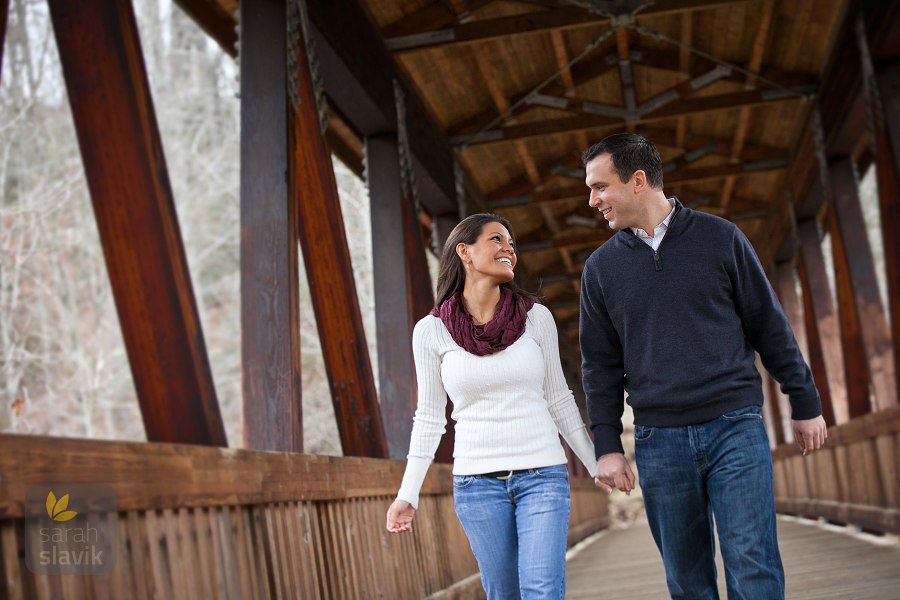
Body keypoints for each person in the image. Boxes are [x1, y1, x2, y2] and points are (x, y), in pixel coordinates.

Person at [578, 133, 827, 600]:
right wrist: (608, 445)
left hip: (735, 426)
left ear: (637, 181)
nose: (592, 200)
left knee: (753, 563)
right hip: (659, 440)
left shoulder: (721, 238)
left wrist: (805, 400)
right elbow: (600, 367)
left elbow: (768, 325)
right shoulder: (600, 270)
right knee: (687, 579)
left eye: (599, 187)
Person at [385, 213, 597, 599]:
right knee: (503, 593)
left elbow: (559, 399)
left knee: (542, 589)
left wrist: (595, 464)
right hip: (475, 485)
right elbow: (430, 418)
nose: (509, 249)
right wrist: (407, 494)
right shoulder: (430, 331)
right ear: (464, 251)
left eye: (512, 244)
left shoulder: (536, 319)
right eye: (497, 240)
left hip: (542, 475)